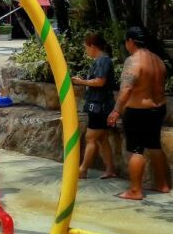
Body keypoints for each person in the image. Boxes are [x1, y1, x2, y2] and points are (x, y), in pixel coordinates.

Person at [108, 27, 170, 200]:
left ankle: (135, 190)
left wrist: (115, 111)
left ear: (131, 41)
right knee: (154, 145)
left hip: (138, 111)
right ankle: (162, 184)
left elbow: (126, 89)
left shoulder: (133, 61)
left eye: (126, 42)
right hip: (158, 108)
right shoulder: (157, 60)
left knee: (136, 149)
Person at [73, 33, 116, 179]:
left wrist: (81, 82)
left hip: (100, 105)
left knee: (90, 138)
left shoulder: (103, 60)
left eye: (86, 47)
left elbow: (100, 81)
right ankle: (110, 169)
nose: (86, 51)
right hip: (100, 104)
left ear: (92, 46)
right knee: (102, 138)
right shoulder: (101, 60)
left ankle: (83, 169)